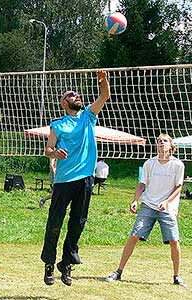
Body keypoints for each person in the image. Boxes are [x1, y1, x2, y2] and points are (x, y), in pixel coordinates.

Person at [41, 70, 110, 286]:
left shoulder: (88, 117)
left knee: (78, 222)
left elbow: (104, 95)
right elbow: (48, 150)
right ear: (63, 102)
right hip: (63, 180)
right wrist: (55, 153)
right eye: (71, 95)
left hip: (85, 179)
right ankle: (50, 263)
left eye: (77, 94)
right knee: (55, 222)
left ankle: (67, 262)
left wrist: (102, 80)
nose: (76, 96)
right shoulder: (58, 124)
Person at [105, 133, 186, 287]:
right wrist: (135, 200)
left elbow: (178, 187)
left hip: (167, 208)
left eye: (164, 141)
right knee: (134, 236)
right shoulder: (150, 163)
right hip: (148, 205)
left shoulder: (178, 165)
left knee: (174, 241)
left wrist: (167, 202)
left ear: (171, 146)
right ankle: (119, 271)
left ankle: (177, 276)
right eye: (159, 141)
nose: (161, 143)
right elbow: (142, 184)